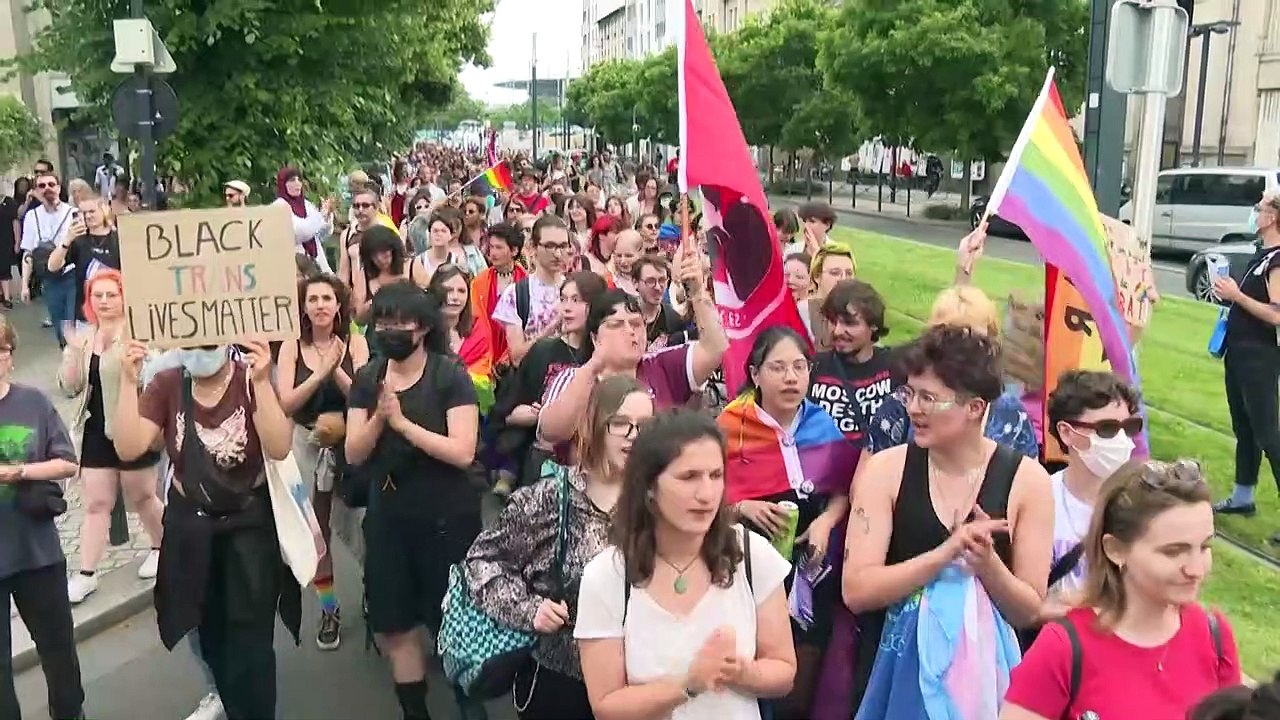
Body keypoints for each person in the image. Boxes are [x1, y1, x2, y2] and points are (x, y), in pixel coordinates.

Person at [844, 325, 1054, 715]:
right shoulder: (887, 470)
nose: (913, 409)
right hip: (893, 680)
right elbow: (856, 590)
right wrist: (944, 554)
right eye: (910, 394)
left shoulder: (1028, 481)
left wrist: (989, 567)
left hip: (987, 692)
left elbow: (1029, 611)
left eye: (929, 398)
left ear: (974, 408)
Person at [113, 339, 298, 720]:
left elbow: (279, 446)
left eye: (208, 342)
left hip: (248, 529)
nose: (200, 350)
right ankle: (233, 707)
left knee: (252, 645)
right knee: (211, 638)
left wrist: (263, 383)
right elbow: (130, 448)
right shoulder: (166, 383)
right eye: (191, 342)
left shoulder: (250, 377)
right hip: (192, 531)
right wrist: (128, 383)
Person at [574, 409, 797, 719]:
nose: (706, 494)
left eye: (715, 476)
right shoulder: (607, 576)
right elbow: (606, 705)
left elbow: (784, 670)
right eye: (688, 477)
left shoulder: (750, 554)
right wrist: (689, 685)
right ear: (649, 486)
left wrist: (741, 673)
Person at [467, 375, 654, 719]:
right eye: (621, 424)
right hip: (561, 682)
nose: (633, 436)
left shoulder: (658, 503)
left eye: (643, 426)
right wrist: (529, 609)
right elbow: (481, 563)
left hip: (638, 682)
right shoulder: (551, 498)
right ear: (595, 425)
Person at [1001, 460, 1241, 720]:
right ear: (1115, 550)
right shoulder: (1063, 648)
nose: (1196, 569)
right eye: (1173, 552)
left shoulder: (1213, 635)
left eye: (1205, 547)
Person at [344, 282, 481, 720]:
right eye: (382, 322)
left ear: (421, 327)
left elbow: (462, 451)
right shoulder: (369, 380)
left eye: (398, 322)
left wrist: (402, 425)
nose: (389, 331)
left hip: (446, 518)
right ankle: (414, 711)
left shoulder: (450, 375)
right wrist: (380, 421)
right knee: (397, 625)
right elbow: (353, 452)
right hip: (389, 520)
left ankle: (469, 706)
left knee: (451, 622)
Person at [719, 327, 857, 719]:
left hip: (812, 569)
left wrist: (827, 521)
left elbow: (843, 487)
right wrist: (742, 507)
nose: (791, 377)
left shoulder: (821, 423)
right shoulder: (731, 427)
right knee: (755, 665)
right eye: (778, 367)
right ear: (755, 373)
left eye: (800, 367)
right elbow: (704, 498)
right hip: (747, 568)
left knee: (805, 668)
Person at [537, 244, 729, 446]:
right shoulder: (572, 378)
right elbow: (551, 432)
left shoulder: (662, 365)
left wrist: (697, 291)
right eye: (616, 324)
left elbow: (715, 349)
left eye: (636, 324)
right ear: (595, 338)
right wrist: (593, 367)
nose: (630, 331)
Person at [57, 270, 164, 605]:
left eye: (110, 295)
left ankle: (163, 548)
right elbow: (68, 386)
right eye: (97, 296)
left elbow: (155, 372)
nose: (104, 302)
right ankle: (86, 574)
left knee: (143, 496)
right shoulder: (86, 336)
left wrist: (139, 356)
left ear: (123, 297)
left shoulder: (138, 333)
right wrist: (73, 352)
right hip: (95, 431)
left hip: (132, 426)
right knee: (96, 503)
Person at [276, 273, 370, 652]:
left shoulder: (355, 342)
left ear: (339, 305)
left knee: (359, 522)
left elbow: (363, 394)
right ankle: (328, 609)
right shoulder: (290, 347)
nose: (319, 305)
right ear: (303, 306)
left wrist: (337, 368)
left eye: (326, 298)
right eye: (312, 299)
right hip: (306, 440)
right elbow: (287, 402)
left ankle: (371, 590)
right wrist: (318, 373)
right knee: (316, 530)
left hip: (348, 438)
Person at [0, 318, 86, 720]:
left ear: (10, 358)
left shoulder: (33, 402)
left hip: (37, 553)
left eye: (0, 351)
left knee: (59, 654)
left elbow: (68, 464)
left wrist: (20, 472)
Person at [866, 285, 1041, 459]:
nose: (961, 348)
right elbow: (869, 473)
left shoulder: (1011, 414)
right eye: (950, 336)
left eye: (973, 338)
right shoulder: (899, 408)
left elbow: (1027, 477)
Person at [491, 272, 608, 496]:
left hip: (591, 464)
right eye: (563, 299)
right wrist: (539, 415)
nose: (566, 307)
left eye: (576, 300)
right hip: (543, 463)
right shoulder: (543, 351)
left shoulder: (603, 355)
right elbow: (507, 411)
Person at [1211, 192, 1280, 543]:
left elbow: (1276, 314)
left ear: (1273, 217)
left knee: (1268, 432)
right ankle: (1243, 495)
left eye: (1261, 208)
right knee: (1245, 427)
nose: (1256, 213)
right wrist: (1228, 294)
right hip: (1238, 351)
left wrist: (1238, 296)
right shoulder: (1261, 255)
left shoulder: (1278, 261)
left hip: (1259, 355)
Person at [1040, 370, 1142, 599]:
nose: (1121, 439)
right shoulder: (1040, 500)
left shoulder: (1144, 504)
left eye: (1129, 427)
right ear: (1066, 432)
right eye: (1107, 429)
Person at [806, 279, 900, 455]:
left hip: (881, 476)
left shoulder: (896, 366)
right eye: (833, 321)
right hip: (826, 478)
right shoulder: (812, 369)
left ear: (873, 325)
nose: (838, 331)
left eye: (849, 323)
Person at [493, 214, 571, 366]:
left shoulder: (575, 290)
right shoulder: (516, 294)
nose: (557, 254)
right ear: (533, 247)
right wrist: (552, 327)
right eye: (549, 246)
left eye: (562, 246)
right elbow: (516, 358)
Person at [429, 263, 494, 413]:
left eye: (461, 291)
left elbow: (483, 380)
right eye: (448, 290)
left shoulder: (479, 329)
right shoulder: (422, 330)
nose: (455, 297)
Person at [48, 194, 121, 324]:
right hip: (86, 315)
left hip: (117, 313)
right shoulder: (79, 241)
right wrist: (67, 240)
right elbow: (52, 266)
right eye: (84, 213)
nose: (88, 216)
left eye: (92, 211)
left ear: (104, 210)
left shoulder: (118, 239)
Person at [20, 171, 74, 347]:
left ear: (59, 188)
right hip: (49, 279)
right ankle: (68, 359)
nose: (47, 189)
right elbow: (28, 252)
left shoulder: (72, 213)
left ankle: (77, 365)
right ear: (36, 190)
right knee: (59, 327)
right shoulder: (31, 217)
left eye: (51, 184)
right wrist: (24, 285)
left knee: (72, 325)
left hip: (72, 276)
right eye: (42, 186)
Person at [471, 223, 528, 367]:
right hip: (486, 355)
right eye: (491, 247)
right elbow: (476, 322)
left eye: (499, 247)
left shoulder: (526, 282)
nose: (493, 253)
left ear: (514, 251)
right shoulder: (479, 282)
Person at [352, 225, 428, 325]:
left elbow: (429, 300)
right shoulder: (365, 274)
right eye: (374, 255)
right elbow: (358, 319)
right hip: (378, 333)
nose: (380, 259)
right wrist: (373, 304)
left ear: (393, 249)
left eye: (384, 252)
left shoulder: (412, 266)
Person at [273, 166, 335, 273]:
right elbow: (300, 231)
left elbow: (322, 235)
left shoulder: (307, 205)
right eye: (292, 180)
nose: (297, 183)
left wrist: (327, 216)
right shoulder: (278, 207)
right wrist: (320, 216)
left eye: (299, 180)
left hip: (316, 262)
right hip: (295, 265)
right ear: (283, 184)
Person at [798, 244, 856, 351]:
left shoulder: (859, 312)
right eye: (835, 273)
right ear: (817, 276)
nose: (843, 279)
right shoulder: (802, 311)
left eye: (849, 273)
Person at [632, 255, 690, 351]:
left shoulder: (674, 320)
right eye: (650, 281)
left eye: (662, 280)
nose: (658, 287)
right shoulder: (624, 314)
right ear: (635, 283)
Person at [0, 178, 28, 309]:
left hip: (6, 239)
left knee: (4, 267)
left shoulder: (9, 202)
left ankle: (6, 297)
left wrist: (17, 242)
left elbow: (15, 222)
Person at [587, 213, 625, 278]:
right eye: (616, 232)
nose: (620, 236)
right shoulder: (588, 261)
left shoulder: (617, 259)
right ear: (601, 235)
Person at [608, 229, 642, 295]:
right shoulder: (609, 280)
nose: (622, 261)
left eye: (628, 256)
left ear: (640, 254)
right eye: (619, 256)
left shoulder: (649, 278)